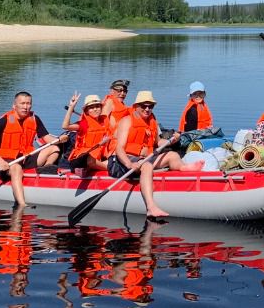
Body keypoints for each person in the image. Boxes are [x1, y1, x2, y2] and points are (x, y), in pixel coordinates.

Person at [110, 90, 185, 222]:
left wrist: (172, 140)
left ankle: (188, 169)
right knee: (147, 166)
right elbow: (119, 149)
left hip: (144, 158)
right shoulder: (127, 121)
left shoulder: (152, 121)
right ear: (136, 106)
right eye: (144, 106)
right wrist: (129, 164)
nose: (147, 109)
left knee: (172, 155)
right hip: (124, 160)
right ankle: (150, 207)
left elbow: (157, 143)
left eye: (150, 106)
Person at [0, 91, 66, 208]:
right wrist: (0, 161)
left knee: (54, 148)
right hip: (7, 160)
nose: (25, 106)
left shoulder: (34, 118)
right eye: (22, 103)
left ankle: (47, 168)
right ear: (14, 106)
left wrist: (60, 139)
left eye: (28, 103)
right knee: (16, 168)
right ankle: (22, 204)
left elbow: (47, 138)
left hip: (25, 158)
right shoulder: (4, 120)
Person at [61, 93, 112, 173]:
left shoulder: (105, 121)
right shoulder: (84, 124)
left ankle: (104, 166)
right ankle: (112, 168)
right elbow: (65, 126)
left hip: (99, 157)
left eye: (97, 106)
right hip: (82, 158)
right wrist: (71, 107)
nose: (95, 109)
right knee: (90, 159)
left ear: (101, 108)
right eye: (91, 108)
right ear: (87, 111)